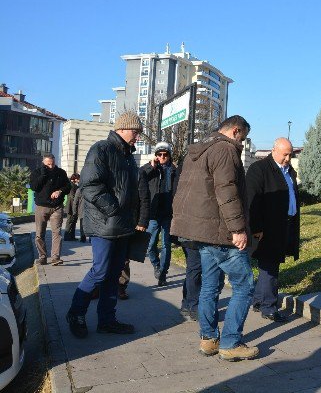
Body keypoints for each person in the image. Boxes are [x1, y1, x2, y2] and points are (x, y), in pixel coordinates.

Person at [171, 115, 259, 361]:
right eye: (243, 138)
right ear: (235, 130)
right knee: (244, 285)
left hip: (201, 232)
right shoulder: (225, 149)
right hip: (221, 233)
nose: (242, 143)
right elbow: (227, 192)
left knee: (210, 286)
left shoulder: (197, 151)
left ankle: (209, 339)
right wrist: (239, 229)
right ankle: (231, 343)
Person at [65, 111, 144, 338]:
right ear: (121, 128)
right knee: (100, 271)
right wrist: (113, 211)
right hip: (105, 224)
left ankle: (107, 320)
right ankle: (76, 313)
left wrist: (135, 219)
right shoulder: (102, 149)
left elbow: (132, 193)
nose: (137, 137)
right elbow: (90, 185)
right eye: (135, 132)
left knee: (113, 273)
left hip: (122, 226)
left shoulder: (128, 156)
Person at [246, 137, 299, 323]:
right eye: (285, 154)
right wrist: (256, 227)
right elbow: (252, 200)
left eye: (290, 154)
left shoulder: (288, 170)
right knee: (270, 266)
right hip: (266, 227)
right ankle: (269, 307)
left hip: (284, 224)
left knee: (268, 265)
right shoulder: (259, 169)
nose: (288, 158)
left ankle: (260, 300)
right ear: (274, 150)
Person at [138, 141, 178, 287]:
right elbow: (139, 175)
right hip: (153, 214)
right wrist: (151, 166)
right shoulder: (150, 169)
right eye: (159, 154)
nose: (162, 157)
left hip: (168, 213)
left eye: (165, 154)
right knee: (150, 245)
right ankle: (156, 264)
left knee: (167, 245)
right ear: (155, 156)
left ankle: (163, 272)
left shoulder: (174, 170)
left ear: (169, 156)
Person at [30, 153, 71, 266]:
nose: (51, 166)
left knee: (57, 232)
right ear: (43, 163)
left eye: (52, 163)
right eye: (48, 164)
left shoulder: (61, 173)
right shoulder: (37, 172)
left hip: (57, 207)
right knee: (39, 233)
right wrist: (43, 174)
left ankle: (55, 258)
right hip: (41, 207)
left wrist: (60, 191)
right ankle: (42, 257)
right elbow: (34, 187)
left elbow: (68, 187)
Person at [63, 173, 80, 241]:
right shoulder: (71, 185)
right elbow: (73, 197)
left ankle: (72, 236)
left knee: (73, 222)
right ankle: (67, 237)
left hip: (73, 206)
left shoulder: (73, 185)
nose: (79, 180)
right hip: (71, 206)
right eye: (78, 179)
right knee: (70, 221)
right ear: (75, 179)